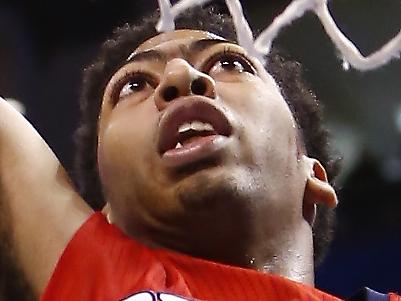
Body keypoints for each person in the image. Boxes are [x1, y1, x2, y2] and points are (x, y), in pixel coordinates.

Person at [0, 5, 398, 301]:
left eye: (229, 62)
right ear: (107, 214)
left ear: (312, 172)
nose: (181, 78)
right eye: (132, 86)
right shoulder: (99, 278)